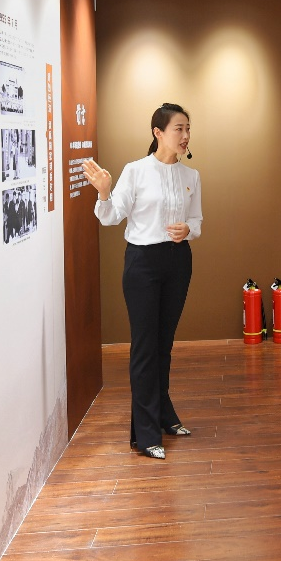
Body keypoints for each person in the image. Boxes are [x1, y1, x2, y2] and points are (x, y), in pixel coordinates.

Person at [83, 103, 201, 460]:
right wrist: (104, 191)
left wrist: (188, 229)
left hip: (178, 262)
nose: (185, 135)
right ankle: (145, 433)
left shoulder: (191, 176)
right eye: (179, 129)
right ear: (158, 133)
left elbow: (197, 221)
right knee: (145, 347)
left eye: (188, 129)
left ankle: (164, 415)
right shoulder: (135, 171)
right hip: (143, 264)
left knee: (164, 344)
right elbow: (110, 217)